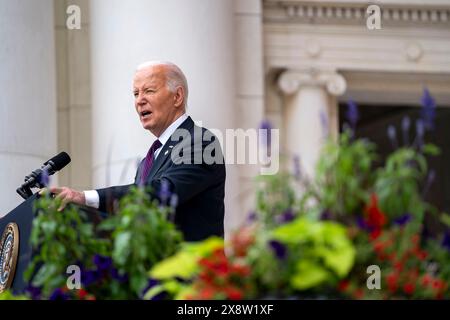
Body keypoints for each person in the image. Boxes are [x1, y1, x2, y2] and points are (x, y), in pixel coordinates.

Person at [45, 61, 225, 241]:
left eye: (149, 91)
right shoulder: (147, 161)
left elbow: (163, 192)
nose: (139, 100)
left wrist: (85, 197)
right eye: (136, 93)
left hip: (191, 267)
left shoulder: (201, 141)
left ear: (177, 96)